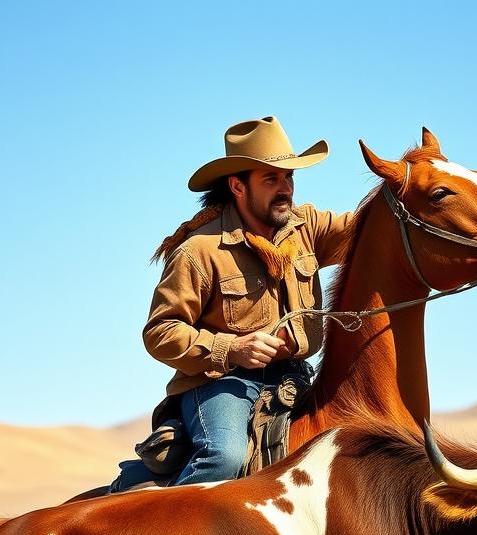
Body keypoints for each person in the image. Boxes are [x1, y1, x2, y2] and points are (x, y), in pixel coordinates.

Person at [110, 116, 353, 491]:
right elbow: (160, 332)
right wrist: (233, 348)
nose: (285, 188)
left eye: (288, 176)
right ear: (238, 186)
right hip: (222, 383)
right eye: (270, 179)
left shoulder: (306, 227)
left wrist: (415, 186)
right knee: (226, 457)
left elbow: (368, 230)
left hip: (295, 376)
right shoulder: (198, 251)